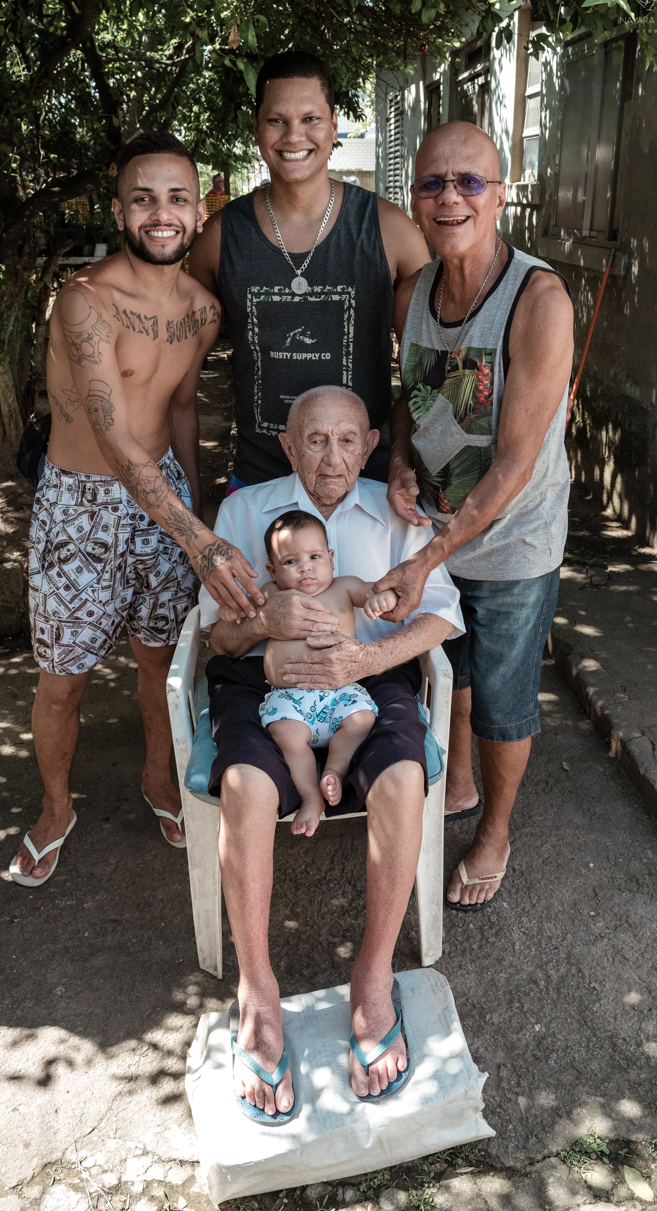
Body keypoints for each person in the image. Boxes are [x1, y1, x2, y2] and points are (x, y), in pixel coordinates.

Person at [200, 385, 464, 1118]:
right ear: (287, 446)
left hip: (367, 684)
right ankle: (258, 992)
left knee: (405, 777)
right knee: (248, 788)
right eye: (314, 441)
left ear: (372, 444)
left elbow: (443, 615)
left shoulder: (398, 512)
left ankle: (373, 980)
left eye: (348, 441)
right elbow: (215, 637)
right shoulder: (244, 514)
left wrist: (365, 663)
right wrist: (261, 626)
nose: (332, 457)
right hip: (266, 687)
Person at [11, 129, 265, 885]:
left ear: (198, 210)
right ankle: (56, 807)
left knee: (160, 658)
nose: (163, 214)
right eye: (144, 199)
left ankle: (160, 777)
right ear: (119, 212)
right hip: (79, 509)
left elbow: (181, 409)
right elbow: (116, 440)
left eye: (177, 199)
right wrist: (202, 542)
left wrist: (198, 506)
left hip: (166, 505)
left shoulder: (202, 310)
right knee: (63, 676)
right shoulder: (83, 302)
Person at [372, 120, 574, 912]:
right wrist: (397, 462)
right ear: (413, 198)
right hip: (437, 526)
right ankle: (456, 781)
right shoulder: (415, 292)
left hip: (513, 542)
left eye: (469, 182)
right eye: (432, 183)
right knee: (444, 668)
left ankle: (495, 831)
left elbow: (516, 464)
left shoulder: (538, 300)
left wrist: (423, 560)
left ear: (501, 192)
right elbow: (413, 397)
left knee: (501, 695)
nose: (450, 197)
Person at [189, 50, 429, 489]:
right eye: (276, 120)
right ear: (257, 128)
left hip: (367, 487)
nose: (293, 134)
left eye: (310, 119)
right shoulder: (220, 240)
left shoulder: (391, 231)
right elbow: (177, 373)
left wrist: (403, 463)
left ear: (334, 125)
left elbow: (430, 372)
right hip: (260, 485)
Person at [229, 507, 399, 836]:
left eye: (315, 556)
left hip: (340, 692)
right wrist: (238, 610)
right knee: (286, 734)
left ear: (331, 558)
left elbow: (374, 591)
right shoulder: (272, 594)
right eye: (291, 562)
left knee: (362, 718)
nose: (305, 567)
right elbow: (240, 616)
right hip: (289, 698)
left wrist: (383, 598)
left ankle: (334, 769)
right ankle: (310, 797)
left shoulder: (344, 586)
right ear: (273, 570)